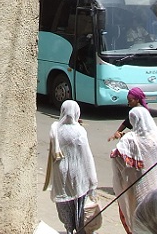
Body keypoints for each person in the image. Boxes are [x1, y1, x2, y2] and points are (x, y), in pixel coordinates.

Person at [111, 105, 157, 233]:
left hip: (139, 190)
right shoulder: (156, 136)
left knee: (140, 222)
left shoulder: (130, 141)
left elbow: (115, 156)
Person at [43, 100, 97, 234]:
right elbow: (87, 156)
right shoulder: (79, 131)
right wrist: (93, 182)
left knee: (65, 205)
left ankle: (68, 228)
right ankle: (80, 229)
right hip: (78, 174)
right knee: (78, 203)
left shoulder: (55, 129)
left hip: (60, 173)